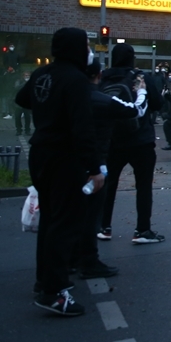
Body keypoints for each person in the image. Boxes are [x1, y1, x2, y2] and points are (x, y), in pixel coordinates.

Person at [15, 27, 103, 316]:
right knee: (65, 223)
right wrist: (94, 168)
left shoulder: (43, 74)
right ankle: (54, 291)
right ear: (77, 48)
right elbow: (82, 128)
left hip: (40, 153)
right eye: (86, 45)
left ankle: (45, 281)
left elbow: (23, 99)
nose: (89, 49)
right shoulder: (76, 80)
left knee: (50, 219)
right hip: (65, 157)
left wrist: (47, 111)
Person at [74, 58, 146, 281]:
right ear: (97, 76)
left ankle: (65, 263)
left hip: (65, 161)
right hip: (96, 160)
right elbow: (135, 111)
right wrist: (142, 91)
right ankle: (88, 260)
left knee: (67, 215)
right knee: (91, 209)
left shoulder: (70, 97)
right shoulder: (100, 99)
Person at [99, 43, 165, 244]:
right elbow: (158, 104)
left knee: (108, 185)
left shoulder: (103, 78)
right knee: (143, 185)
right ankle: (142, 230)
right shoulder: (140, 78)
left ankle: (104, 226)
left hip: (111, 140)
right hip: (140, 139)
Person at [13, 70, 33, 136]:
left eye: (28, 76)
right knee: (17, 117)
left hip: (27, 102)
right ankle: (19, 130)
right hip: (19, 103)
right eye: (26, 75)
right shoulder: (19, 81)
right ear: (23, 76)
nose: (27, 77)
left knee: (28, 117)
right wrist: (25, 83)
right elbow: (16, 88)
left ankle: (27, 130)